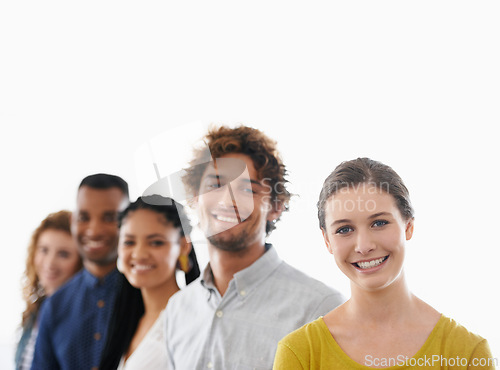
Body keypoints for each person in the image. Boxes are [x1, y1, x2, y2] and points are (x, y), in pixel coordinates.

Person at [273, 158, 495, 369]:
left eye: (379, 223)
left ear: (408, 226)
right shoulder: (300, 353)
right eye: (344, 229)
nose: (363, 245)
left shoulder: (467, 352)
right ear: (327, 240)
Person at [165, 125, 345, 369]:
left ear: (275, 206)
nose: (227, 200)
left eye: (247, 189)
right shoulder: (178, 309)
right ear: (195, 199)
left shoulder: (320, 309)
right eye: (215, 184)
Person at [32, 173, 129, 370]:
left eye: (109, 217)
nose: (94, 230)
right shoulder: (55, 305)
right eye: (84, 217)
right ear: (72, 221)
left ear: (129, 220)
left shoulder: (147, 295)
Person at [99, 195, 200, 370]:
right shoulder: (126, 318)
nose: (139, 254)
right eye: (129, 242)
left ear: (183, 246)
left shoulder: (191, 322)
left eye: (155, 242)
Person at [15, 211, 82, 370]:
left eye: (63, 254)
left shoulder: (81, 316)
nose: (50, 263)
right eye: (44, 250)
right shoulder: (36, 310)